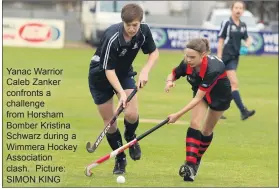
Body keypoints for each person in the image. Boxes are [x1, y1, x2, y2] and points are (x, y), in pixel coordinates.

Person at [88, 3, 159, 175]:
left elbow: (154, 53)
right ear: (123, 22)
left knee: (131, 114)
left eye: (135, 25)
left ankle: (130, 137)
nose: (132, 29)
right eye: (128, 25)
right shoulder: (112, 36)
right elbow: (108, 70)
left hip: (124, 73)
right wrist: (121, 93)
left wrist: (145, 71)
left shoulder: (144, 31)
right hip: (101, 77)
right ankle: (120, 158)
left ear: (140, 23)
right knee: (110, 121)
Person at [164, 38, 232, 182]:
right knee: (194, 123)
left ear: (203, 55)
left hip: (220, 97)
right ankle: (190, 165)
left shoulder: (213, 69)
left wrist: (177, 115)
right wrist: (169, 81)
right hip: (201, 93)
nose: (188, 60)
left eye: (192, 57)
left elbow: (196, 99)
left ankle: (197, 160)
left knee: (206, 131)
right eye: (186, 56)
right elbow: (174, 73)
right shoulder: (187, 63)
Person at [217, 0, 255, 120]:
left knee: (226, 86)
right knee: (233, 84)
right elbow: (221, 40)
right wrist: (219, 56)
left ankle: (218, 110)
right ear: (232, 9)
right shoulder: (227, 23)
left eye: (241, 8)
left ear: (243, 11)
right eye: (236, 7)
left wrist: (246, 46)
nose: (238, 10)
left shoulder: (243, 25)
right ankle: (243, 111)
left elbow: (248, 39)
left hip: (234, 58)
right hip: (225, 57)